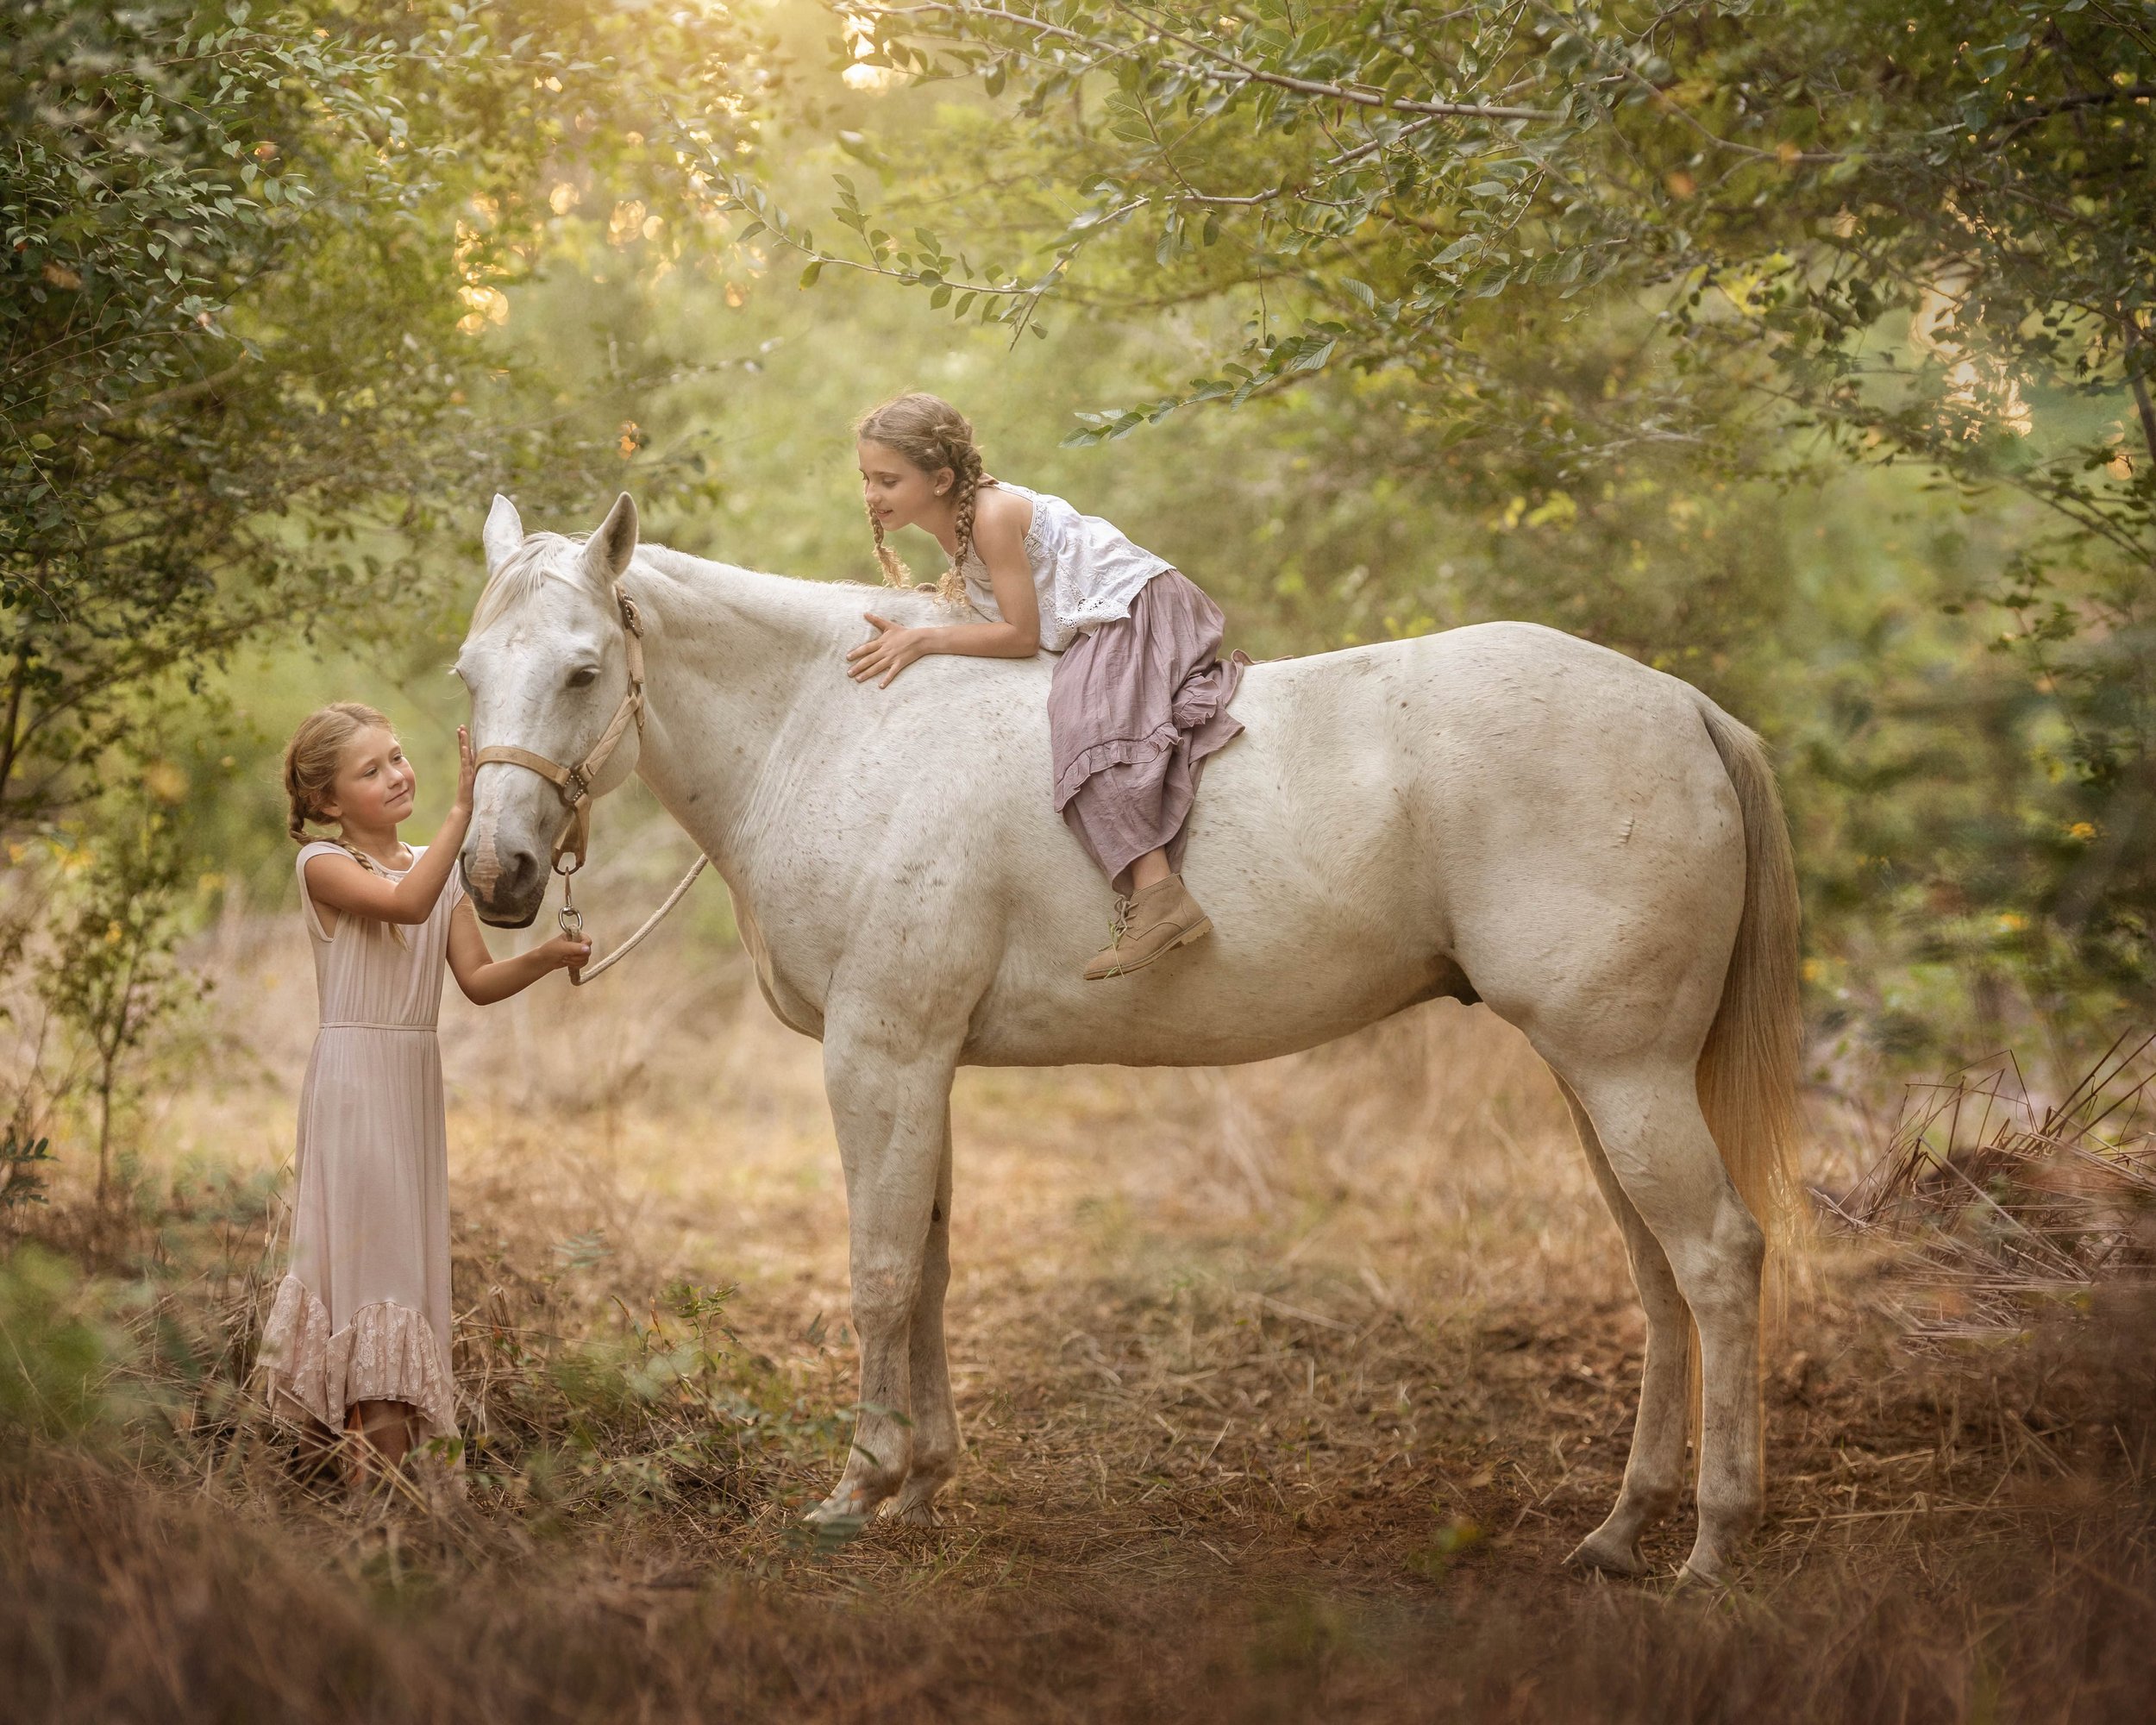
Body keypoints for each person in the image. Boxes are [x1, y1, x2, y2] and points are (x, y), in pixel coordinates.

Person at [260, 701, 590, 1481]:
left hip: (411, 1085)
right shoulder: (325, 867)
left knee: (397, 1266)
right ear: (327, 803)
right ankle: (367, 1490)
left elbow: (475, 980)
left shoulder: (434, 871)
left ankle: (347, 1478)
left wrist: (547, 956)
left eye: (398, 757)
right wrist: (464, 812)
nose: (397, 775)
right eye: (370, 770)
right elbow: (405, 903)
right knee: (366, 1270)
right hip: (353, 1084)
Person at [847, 392, 1246, 979]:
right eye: (866, 478)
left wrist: (923, 640)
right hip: (1100, 618)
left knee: (1087, 719)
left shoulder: (990, 516)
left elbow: (1020, 634)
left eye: (887, 480)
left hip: (1135, 608)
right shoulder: (951, 525)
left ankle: (1162, 898)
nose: (872, 495)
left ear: (940, 479)